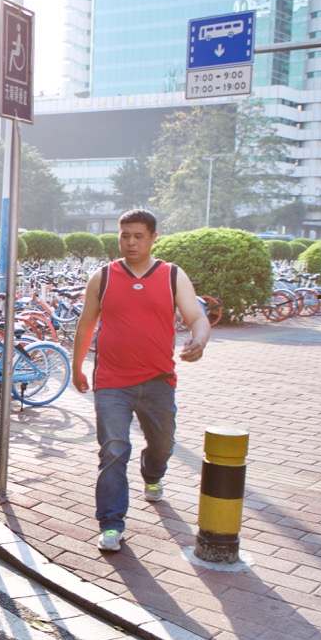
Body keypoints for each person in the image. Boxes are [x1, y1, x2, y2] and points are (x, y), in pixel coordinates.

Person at [71, 209, 211, 553]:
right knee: (114, 450)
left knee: (162, 445)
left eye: (138, 236)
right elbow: (86, 325)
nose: (130, 242)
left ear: (152, 238)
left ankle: (153, 473)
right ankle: (110, 524)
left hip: (158, 380)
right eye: (124, 236)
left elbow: (197, 317)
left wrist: (200, 341)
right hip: (111, 382)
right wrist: (77, 367)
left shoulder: (171, 276)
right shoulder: (102, 277)